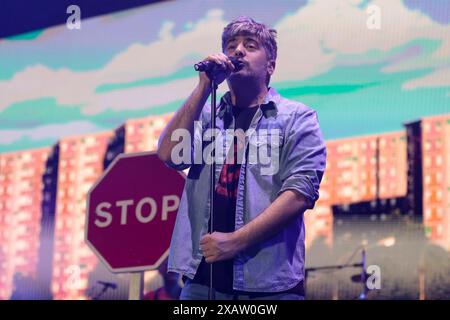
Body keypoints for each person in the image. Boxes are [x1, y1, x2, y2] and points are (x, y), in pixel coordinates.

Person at [157, 16, 326, 300]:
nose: (237, 51)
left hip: (269, 284)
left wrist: (236, 242)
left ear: (270, 65)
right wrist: (203, 86)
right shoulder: (208, 113)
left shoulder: (297, 118)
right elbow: (170, 155)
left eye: (250, 46)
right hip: (201, 279)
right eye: (231, 45)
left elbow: (300, 193)